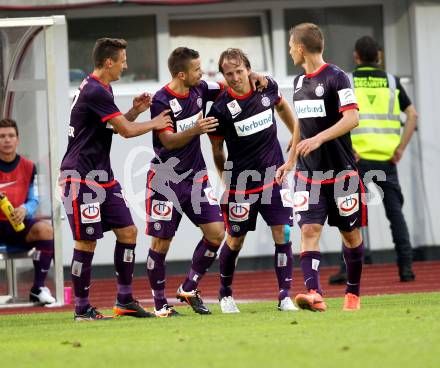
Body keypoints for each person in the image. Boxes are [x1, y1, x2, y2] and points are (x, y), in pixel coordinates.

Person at [146, 47, 266, 317]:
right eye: (197, 69)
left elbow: (229, 83)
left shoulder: (200, 88)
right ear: (181, 74)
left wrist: (255, 74)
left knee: (216, 233)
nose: (202, 73)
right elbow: (167, 140)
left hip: (196, 178)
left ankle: (189, 287)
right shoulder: (161, 100)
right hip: (166, 180)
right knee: (161, 243)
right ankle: (160, 305)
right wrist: (196, 128)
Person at [60, 38, 172, 321]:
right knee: (86, 243)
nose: (126, 65)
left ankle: (124, 300)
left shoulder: (100, 87)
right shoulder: (97, 90)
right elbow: (125, 132)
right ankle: (82, 308)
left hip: (102, 176)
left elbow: (109, 126)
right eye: (123, 60)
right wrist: (154, 123)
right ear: (109, 62)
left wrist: (134, 112)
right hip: (81, 177)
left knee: (128, 232)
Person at [276, 23, 365, 311]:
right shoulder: (299, 83)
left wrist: (319, 139)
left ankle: (352, 294)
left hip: (341, 172)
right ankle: (314, 294)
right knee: (309, 229)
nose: (289, 50)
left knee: (350, 235)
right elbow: (301, 121)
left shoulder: (337, 77)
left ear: (300, 48)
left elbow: (352, 119)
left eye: (291, 45)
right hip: (308, 173)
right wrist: (290, 161)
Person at [208, 48, 298, 313]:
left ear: (248, 69)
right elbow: (216, 151)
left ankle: (284, 296)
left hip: (273, 179)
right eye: (229, 73)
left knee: (283, 233)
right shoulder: (219, 109)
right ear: (223, 76)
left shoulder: (266, 87)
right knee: (235, 240)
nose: (235, 77)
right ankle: (225, 295)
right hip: (241, 185)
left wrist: (295, 134)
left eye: (239, 71)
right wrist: (226, 182)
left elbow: (282, 106)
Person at [328, 36, 418, 284]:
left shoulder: (347, 81)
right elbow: (412, 115)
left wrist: (345, 148)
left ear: (356, 56)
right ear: (378, 57)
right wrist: (400, 148)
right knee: (395, 215)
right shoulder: (392, 82)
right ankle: (406, 268)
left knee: (349, 214)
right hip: (387, 160)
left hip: (355, 159)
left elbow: (337, 118)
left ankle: (348, 270)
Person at [0, 118, 56, 305]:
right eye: (2, 136)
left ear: (18, 139)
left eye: (11, 136)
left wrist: (25, 209)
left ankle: (38, 288)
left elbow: (35, 198)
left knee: (46, 229)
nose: (7, 140)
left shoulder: (29, 166)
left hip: (19, 225)